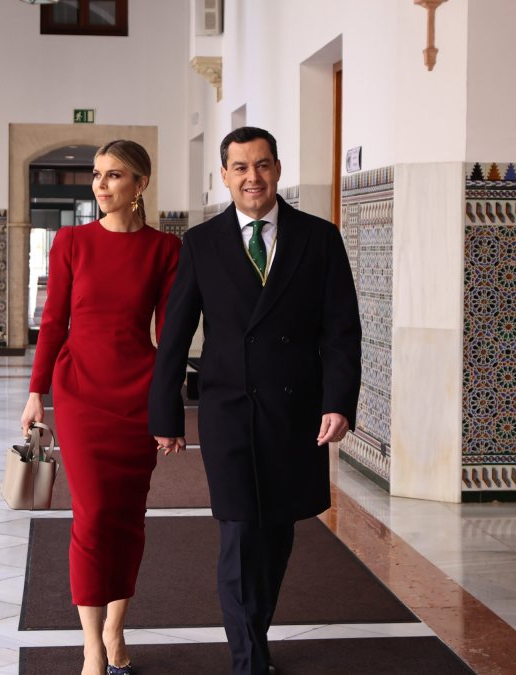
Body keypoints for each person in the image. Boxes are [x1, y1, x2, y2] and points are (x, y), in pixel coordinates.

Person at [148, 127, 361, 675]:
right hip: (228, 410)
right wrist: (166, 415)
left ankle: (254, 635)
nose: (252, 178)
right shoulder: (201, 242)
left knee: (277, 534)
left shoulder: (320, 238)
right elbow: (175, 334)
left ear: (278, 169)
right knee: (240, 533)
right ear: (224, 175)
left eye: (262, 165)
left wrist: (339, 401)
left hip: (297, 413)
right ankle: (248, 660)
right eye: (240, 167)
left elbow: (341, 329)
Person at [21, 139, 180, 675]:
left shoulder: (165, 250)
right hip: (81, 393)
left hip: (138, 392)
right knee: (90, 518)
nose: (101, 184)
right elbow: (53, 322)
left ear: (140, 186)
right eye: (97, 174)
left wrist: (167, 407)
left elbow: (172, 336)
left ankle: (116, 628)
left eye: (114, 175)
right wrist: (35, 392)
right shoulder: (70, 242)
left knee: (128, 519)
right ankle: (91, 646)